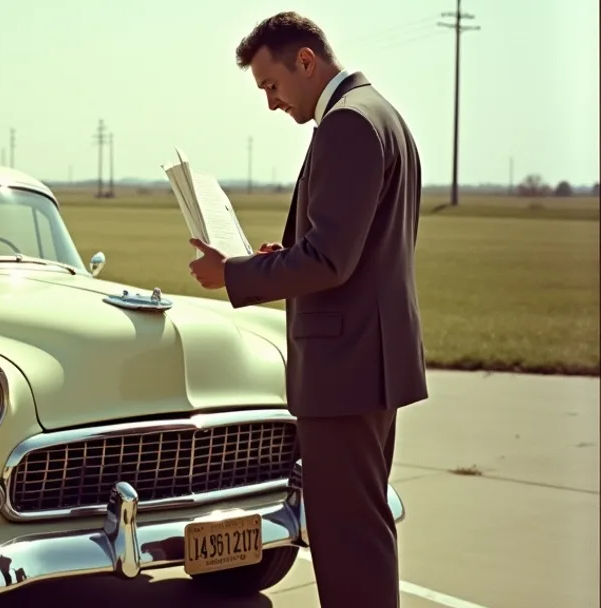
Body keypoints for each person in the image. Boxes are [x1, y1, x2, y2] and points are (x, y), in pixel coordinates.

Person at [187, 11, 428, 608]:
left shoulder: (345, 124)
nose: (271, 103)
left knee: (347, 534)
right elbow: (353, 251)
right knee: (361, 527)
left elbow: (330, 263)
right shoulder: (384, 117)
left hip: (344, 366)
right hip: (372, 359)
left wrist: (234, 273)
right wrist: (286, 255)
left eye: (272, 86)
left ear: (305, 61)